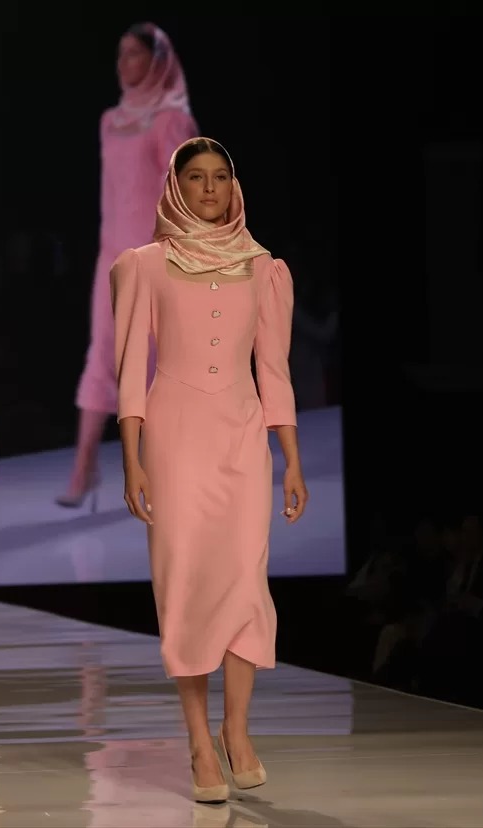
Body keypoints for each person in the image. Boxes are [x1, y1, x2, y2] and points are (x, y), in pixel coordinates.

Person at [112, 137, 308, 803]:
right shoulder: (145, 265)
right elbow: (130, 370)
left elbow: (274, 370)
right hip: (174, 439)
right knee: (187, 585)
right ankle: (199, 740)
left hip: (243, 435)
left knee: (246, 580)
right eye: (195, 177)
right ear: (176, 187)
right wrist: (132, 457)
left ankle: (237, 728)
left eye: (220, 176)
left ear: (233, 186)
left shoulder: (264, 268)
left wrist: (292, 459)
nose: (209, 189)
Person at [58, 22, 198, 510]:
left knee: (155, 363)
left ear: (157, 62)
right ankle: (84, 467)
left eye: (134, 54)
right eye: (119, 54)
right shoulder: (109, 121)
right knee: (102, 353)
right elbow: (110, 193)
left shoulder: (172, 122)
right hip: (112, 256)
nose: (123, 64)